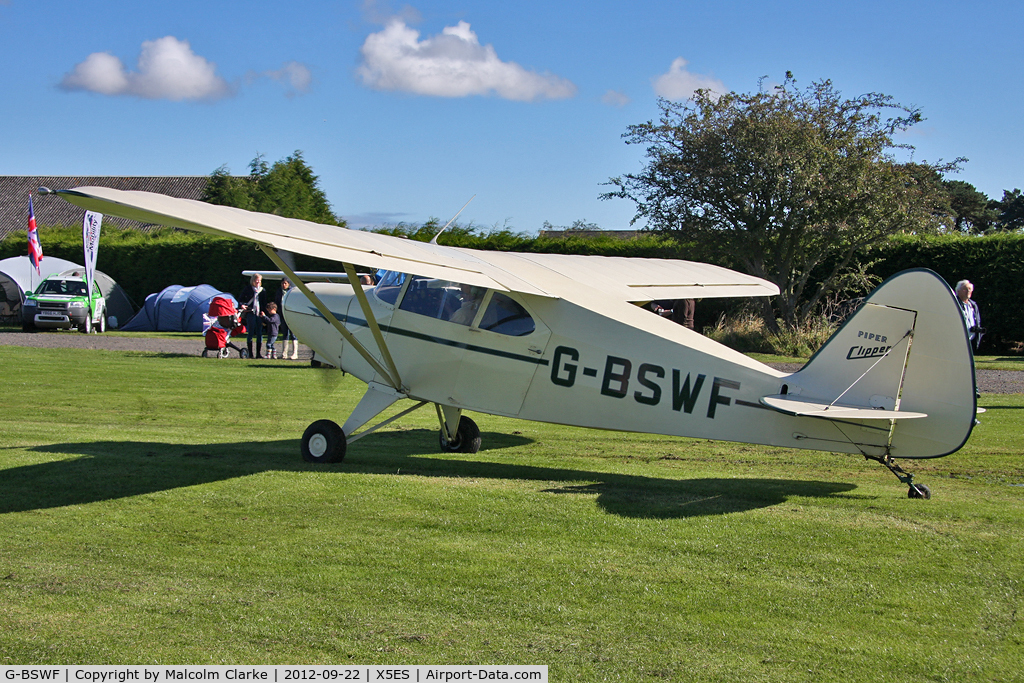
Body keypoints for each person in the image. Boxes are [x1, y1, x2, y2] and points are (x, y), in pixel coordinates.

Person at [240, 273, 265, 359]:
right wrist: (242, 305)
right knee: (250, 332)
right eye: (256, 280)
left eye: (259, 280)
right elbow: (241, 300)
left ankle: (258, 353)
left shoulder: (262, 290)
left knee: (259, 333)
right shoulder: (248, 289)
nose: (258, 282)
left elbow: (264, 303)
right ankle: (250, 354)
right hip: (250, 312)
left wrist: (263, 313)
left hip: (259, 314)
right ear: (253, 280)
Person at [955, 280, 984, 351]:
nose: (968, 291)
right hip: (957, 340)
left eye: (970, 289)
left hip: (971, 340)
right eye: (965, 289)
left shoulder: (973, 305)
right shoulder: (954, 303)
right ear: (958, 291)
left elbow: (977, 321)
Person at [276, 278, 299, 360]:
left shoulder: (293, 292)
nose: (284, 285)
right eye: (282, 283)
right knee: (285, 333)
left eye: (285, 283)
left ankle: (295, 353)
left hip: (291, 315)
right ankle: (284, 353)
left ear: (289, 284)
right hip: (282, 315)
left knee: (293, 334)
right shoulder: (279, 291)